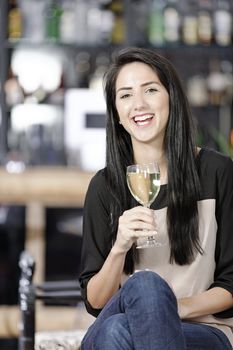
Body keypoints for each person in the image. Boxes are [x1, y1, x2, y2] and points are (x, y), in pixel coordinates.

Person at [79, 47, 233, 349]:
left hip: (203, 331)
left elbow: (231, 284)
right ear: (117, 114)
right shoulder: (105, 186)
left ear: (171, 98)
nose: (138, 104)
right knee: (136, 296)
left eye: (150, 90)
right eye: (125, 95)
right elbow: (96, 302)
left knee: (120, 328)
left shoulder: (217, 173)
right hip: (120, 319)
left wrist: (165, 308)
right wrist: (120, 247)